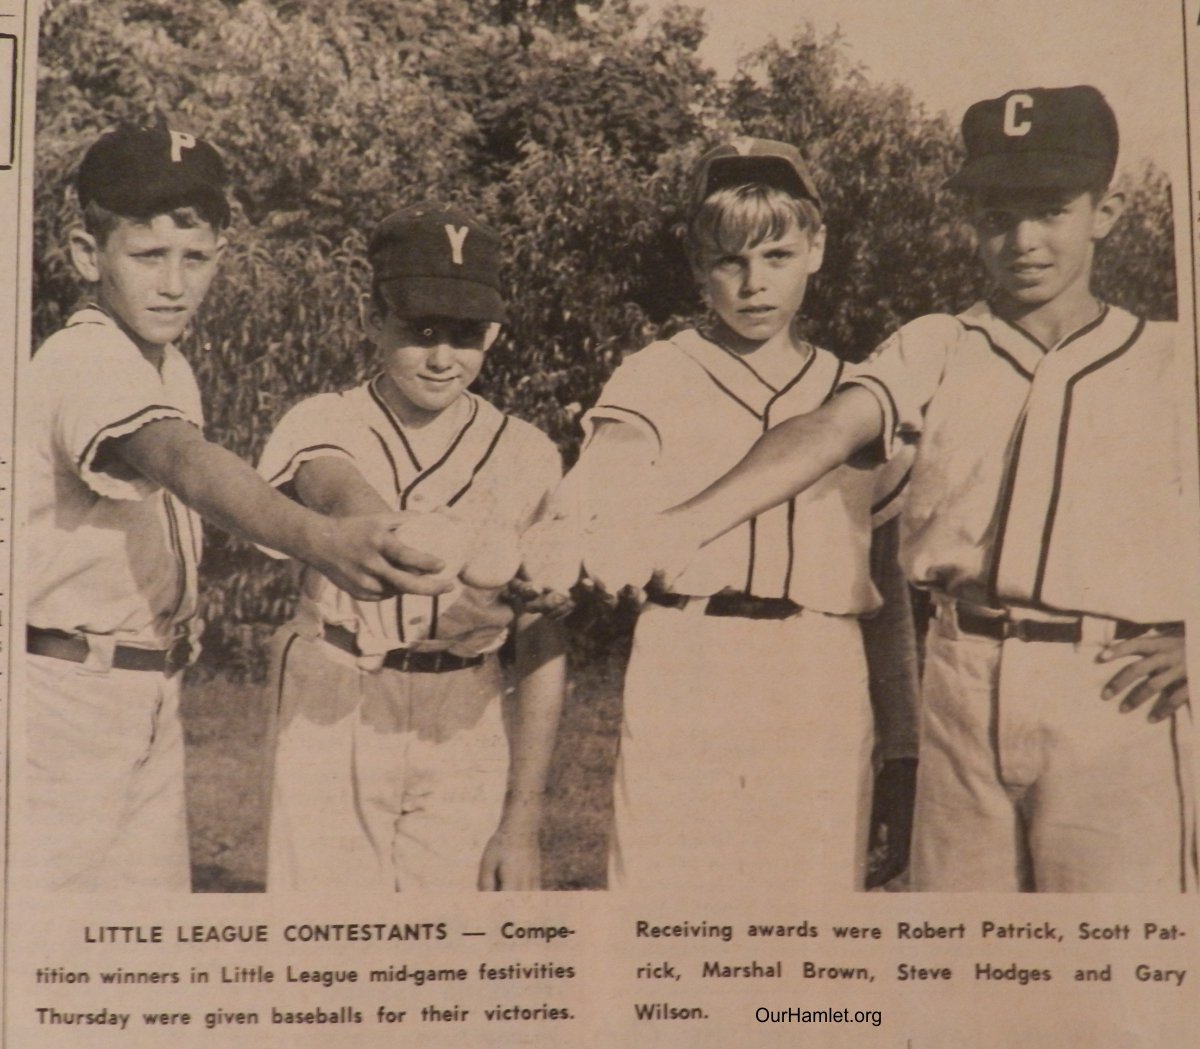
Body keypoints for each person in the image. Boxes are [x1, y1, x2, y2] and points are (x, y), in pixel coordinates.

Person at [610, 88, 1195, 892]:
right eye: (996, 214)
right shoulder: (936, 342)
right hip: (962, 668)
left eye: (1051, 211)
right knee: (957, 965)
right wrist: (679, 527)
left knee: (1116, 959)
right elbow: (825, 429)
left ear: (1105, 210)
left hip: (1111, 686)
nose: (1022, 240)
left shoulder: (1170, 357)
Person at [23, 122, 449, 892]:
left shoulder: (167, 362)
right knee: (52, 954)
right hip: (58, 701)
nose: (174, 283)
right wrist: (320, 540)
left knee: (142, 957)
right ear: (88, 254)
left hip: (144, 689)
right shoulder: (83, 356)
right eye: (148, 256)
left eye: (197, 257)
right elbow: (182, 460)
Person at [569, 139, 918, 893]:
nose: (754, 283)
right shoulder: (656, 373)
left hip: (819, 662)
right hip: (689, 648)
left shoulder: (856, 393)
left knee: (809, 914)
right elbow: (598, 496)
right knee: (664, 903)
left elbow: (886, 591)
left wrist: (905, 743)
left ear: (816, 248)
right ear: (698, 265)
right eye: (729, 260)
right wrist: (583, 539)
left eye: (778, 255)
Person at [259, 203, 567, 891]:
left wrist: (522, 820)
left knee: (452, 950)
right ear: (374, 319)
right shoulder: (325, 418)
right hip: (338, 691)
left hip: (466, 702)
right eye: (419, 330)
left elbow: (543, 639)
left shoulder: (528, 453)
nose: (441, 356)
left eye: (464, 335)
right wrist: (424, 534)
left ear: (491, 332)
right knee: (323, 950)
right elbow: (329, 483)